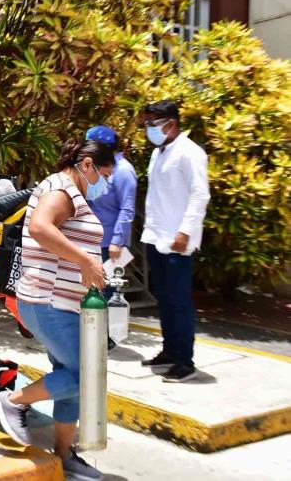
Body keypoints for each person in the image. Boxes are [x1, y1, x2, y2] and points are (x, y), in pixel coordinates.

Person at [0, 138, 113, 481]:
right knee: (85, 375)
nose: (104, 183)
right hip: (48, 301)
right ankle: (13, 401)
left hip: (63, 302)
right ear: (86, 165)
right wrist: (86, 260)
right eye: (103, 174)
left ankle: (64, 454)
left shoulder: (67, 190)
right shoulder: (62, 190)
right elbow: (41, 228)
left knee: (73, 376)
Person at [139, 100, 210, 383]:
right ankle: (169, 351)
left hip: (177, 241)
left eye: (153, 123)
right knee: (165, 299)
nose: (149, 128)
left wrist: (185, 232)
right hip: (156, 237)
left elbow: (199, 194)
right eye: (147, 123)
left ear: (171, 123)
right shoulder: (159, 153)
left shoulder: (190, 153)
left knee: (179, 301)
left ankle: (184, 361)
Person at [85, 126, 137, 350]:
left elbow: (127, 209)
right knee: (93, 289)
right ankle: (94, 334)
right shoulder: (94, 167)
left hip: (111, 243)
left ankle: (106, 338)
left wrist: (118, 240)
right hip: (94, 240)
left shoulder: (123, 171)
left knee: (106, 290)